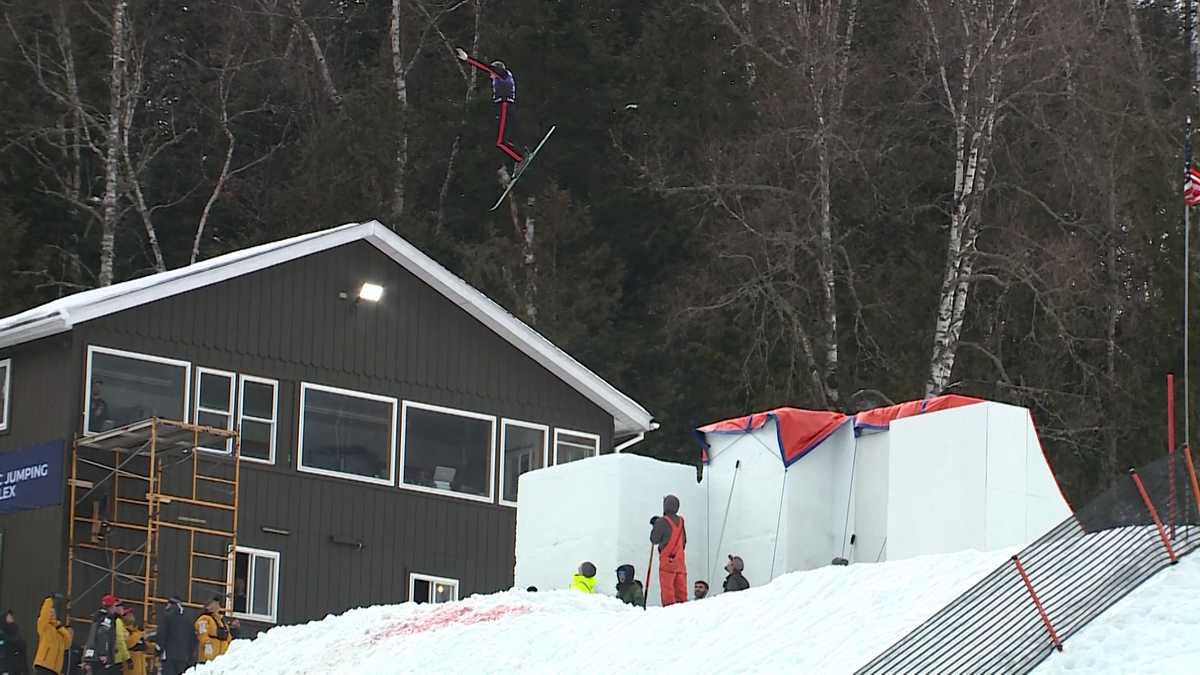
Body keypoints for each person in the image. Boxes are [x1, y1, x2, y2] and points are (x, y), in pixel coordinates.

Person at [454, 47, 525, 169]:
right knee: (503, 138)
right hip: (505, 107)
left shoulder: (503, 75)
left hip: (504, 106)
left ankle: (520, 159)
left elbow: (484, 67)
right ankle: (519, 157)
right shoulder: (504, 77)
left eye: (492, 73)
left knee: (500, 141)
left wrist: (467, 58)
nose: (491, 76)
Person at [649, 494, 688, 606]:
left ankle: (670, 616)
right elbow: (684, 542)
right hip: (680, 563)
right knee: (681, 593)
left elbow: (654, 539)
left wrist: (655, 525)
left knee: (668, 594)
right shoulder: (681, 521)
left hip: (667, 563)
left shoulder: (662, 522)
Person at [32, 594, 72, 675]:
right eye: (50, 612)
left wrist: (60, 628)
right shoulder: (44, 626)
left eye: (53, 612)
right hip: (43, 665)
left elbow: (67, 644)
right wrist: (49, 600)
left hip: (55, 669)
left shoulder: (59, 630)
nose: (52, 614)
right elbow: (44, 615)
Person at [155, 597, 195, 675]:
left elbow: (161, 635)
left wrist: (158, 652)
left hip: (168, 656)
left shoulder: (167, 615)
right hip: (184, 657)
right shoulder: (189, 618)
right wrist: (190, 655)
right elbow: (193, 639)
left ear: (170, 604)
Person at [82, 595, 120, 674]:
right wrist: (103, 653)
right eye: (115, 605)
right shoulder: (107, 619)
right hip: (98, 657)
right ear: (111, 606)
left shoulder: (98, 617)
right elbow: (102, 634)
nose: (116, 608)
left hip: (92, 655)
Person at [194, 597, 233, 664]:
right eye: (214, 604)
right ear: (208, 607)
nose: (216, 606)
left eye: (217, 604)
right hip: (209, 656)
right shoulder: (204, 619)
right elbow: (202, 633)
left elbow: (228, 636)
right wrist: (207, 644)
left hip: (222, 657)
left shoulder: (222, 620)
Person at [119, 608, 147, 675]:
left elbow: (145, 645)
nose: (131, 615)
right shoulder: (123, 630)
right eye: (128, 614)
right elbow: (128, 643)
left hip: (141, 662)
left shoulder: (136, 631)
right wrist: (140, 634)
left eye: (131, 613)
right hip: (131, 662)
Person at [0, 609, 29, 675]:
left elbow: (23, 656)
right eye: (8, 616)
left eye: (11, 616)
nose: (11, 617)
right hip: (6, 670)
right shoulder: (3, 636)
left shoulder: (16, 633)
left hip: (18, 670)